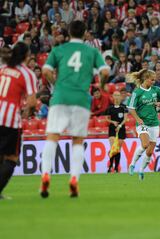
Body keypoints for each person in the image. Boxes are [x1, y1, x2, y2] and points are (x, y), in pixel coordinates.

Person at [40, 21, 110, 198]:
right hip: (81, 98)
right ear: (85, 33)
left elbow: (46, 71)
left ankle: (45, 174)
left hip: (60, 97)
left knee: (53, 136)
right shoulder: (92, 51)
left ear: (69, 33)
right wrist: (101, 86)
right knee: (77, 140)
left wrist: (57, 85)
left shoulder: (59, 50)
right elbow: (105, 72)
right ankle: (74, 180)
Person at [127, 69, 160, 180]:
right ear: (146, 79)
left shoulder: (156, 90)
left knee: (150, 152)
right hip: (142, 122)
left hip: (154, 123)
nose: (154, 82)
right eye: (152, 80)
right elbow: (131, 108)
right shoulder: (137, 92)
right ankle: (132, 164)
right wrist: (138, 118)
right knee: (145, 144)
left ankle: (141, 171)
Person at [0, 43, 37, 199]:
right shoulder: (27, 74)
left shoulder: (2, 69)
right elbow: (32, 102)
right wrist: (26, 113)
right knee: (11, 158)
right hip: (10, 120)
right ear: (27, 56)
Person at [106, 90, 128, 173]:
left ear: (120, 97)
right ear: (112, 96)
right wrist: (113, 122)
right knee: (113, 148)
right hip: (112, 129)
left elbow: (125, 118)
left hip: (121, 129)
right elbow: (107, 118)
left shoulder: (123, 107)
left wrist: (119, 125)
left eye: (118, 95)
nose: (117, 97)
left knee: (118, 149)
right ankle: (110, 166)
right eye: (115, 95)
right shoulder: (110, 108)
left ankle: (116, 167)